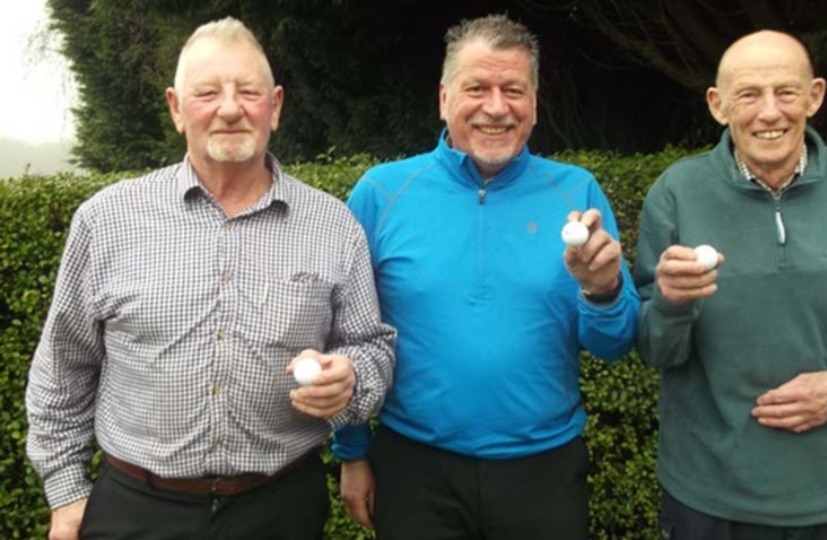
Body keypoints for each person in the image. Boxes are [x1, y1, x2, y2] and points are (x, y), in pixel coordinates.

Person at [25, 17, 395, 540]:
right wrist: (65, 492)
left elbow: (371, 347)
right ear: (177, 108)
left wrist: (352, 377)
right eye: (207, 93)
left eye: (248, 91)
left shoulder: (333, 226)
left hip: (281, 508)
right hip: (135, 510)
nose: (229, 108)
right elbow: (62, 369)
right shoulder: (106, 220)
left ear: (277, 106)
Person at [333, 14, 641, 540]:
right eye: (477, 88)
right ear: (444, 98)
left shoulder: (577, 193)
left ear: (535, 104)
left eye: (513, 90)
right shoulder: (381, 193)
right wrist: (352, 451)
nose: (496, 107)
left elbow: (612, 345)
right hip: (415, 466)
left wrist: (603, 290)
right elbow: (346, 335)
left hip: (544, 470)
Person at [633, 30, 827, 539]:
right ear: (718, 106)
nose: (770, 113)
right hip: (711, 498)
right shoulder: (677, 193)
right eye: (748, 95)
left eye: (786, 92)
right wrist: (672, 304)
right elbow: (657, 349)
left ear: (814, 95)